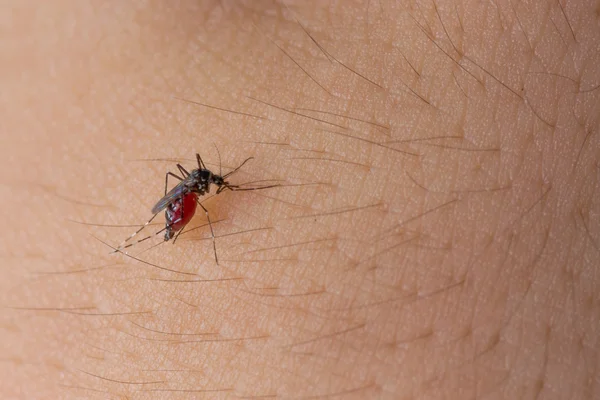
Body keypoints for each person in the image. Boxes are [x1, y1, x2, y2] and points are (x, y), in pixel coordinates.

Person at [1, 1, 598, 398]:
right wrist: (190, 205)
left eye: (199, 189)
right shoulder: (194, 193)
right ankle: (159, 232)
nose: (201, 191)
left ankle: (156, 231)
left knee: (185, 195)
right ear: (200, 185)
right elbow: (195, 191)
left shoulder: (197, 187)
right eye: (205, 186)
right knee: (185, 199)